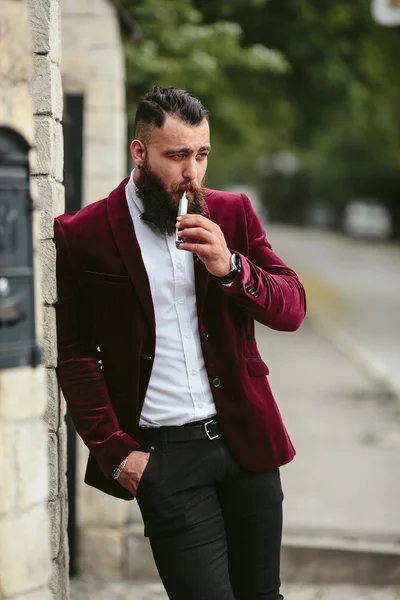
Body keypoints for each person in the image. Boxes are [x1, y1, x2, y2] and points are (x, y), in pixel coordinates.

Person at [54, 86, 306, 600]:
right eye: (177, 156)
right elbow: (76, 356)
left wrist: (232, 268)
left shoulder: (232, 214)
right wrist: (118, 456)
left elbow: (292, 307)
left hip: (245, 444)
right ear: (140, 153)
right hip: (165, 458)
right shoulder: (84, 234)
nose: (192, 172)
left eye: (202, 154)